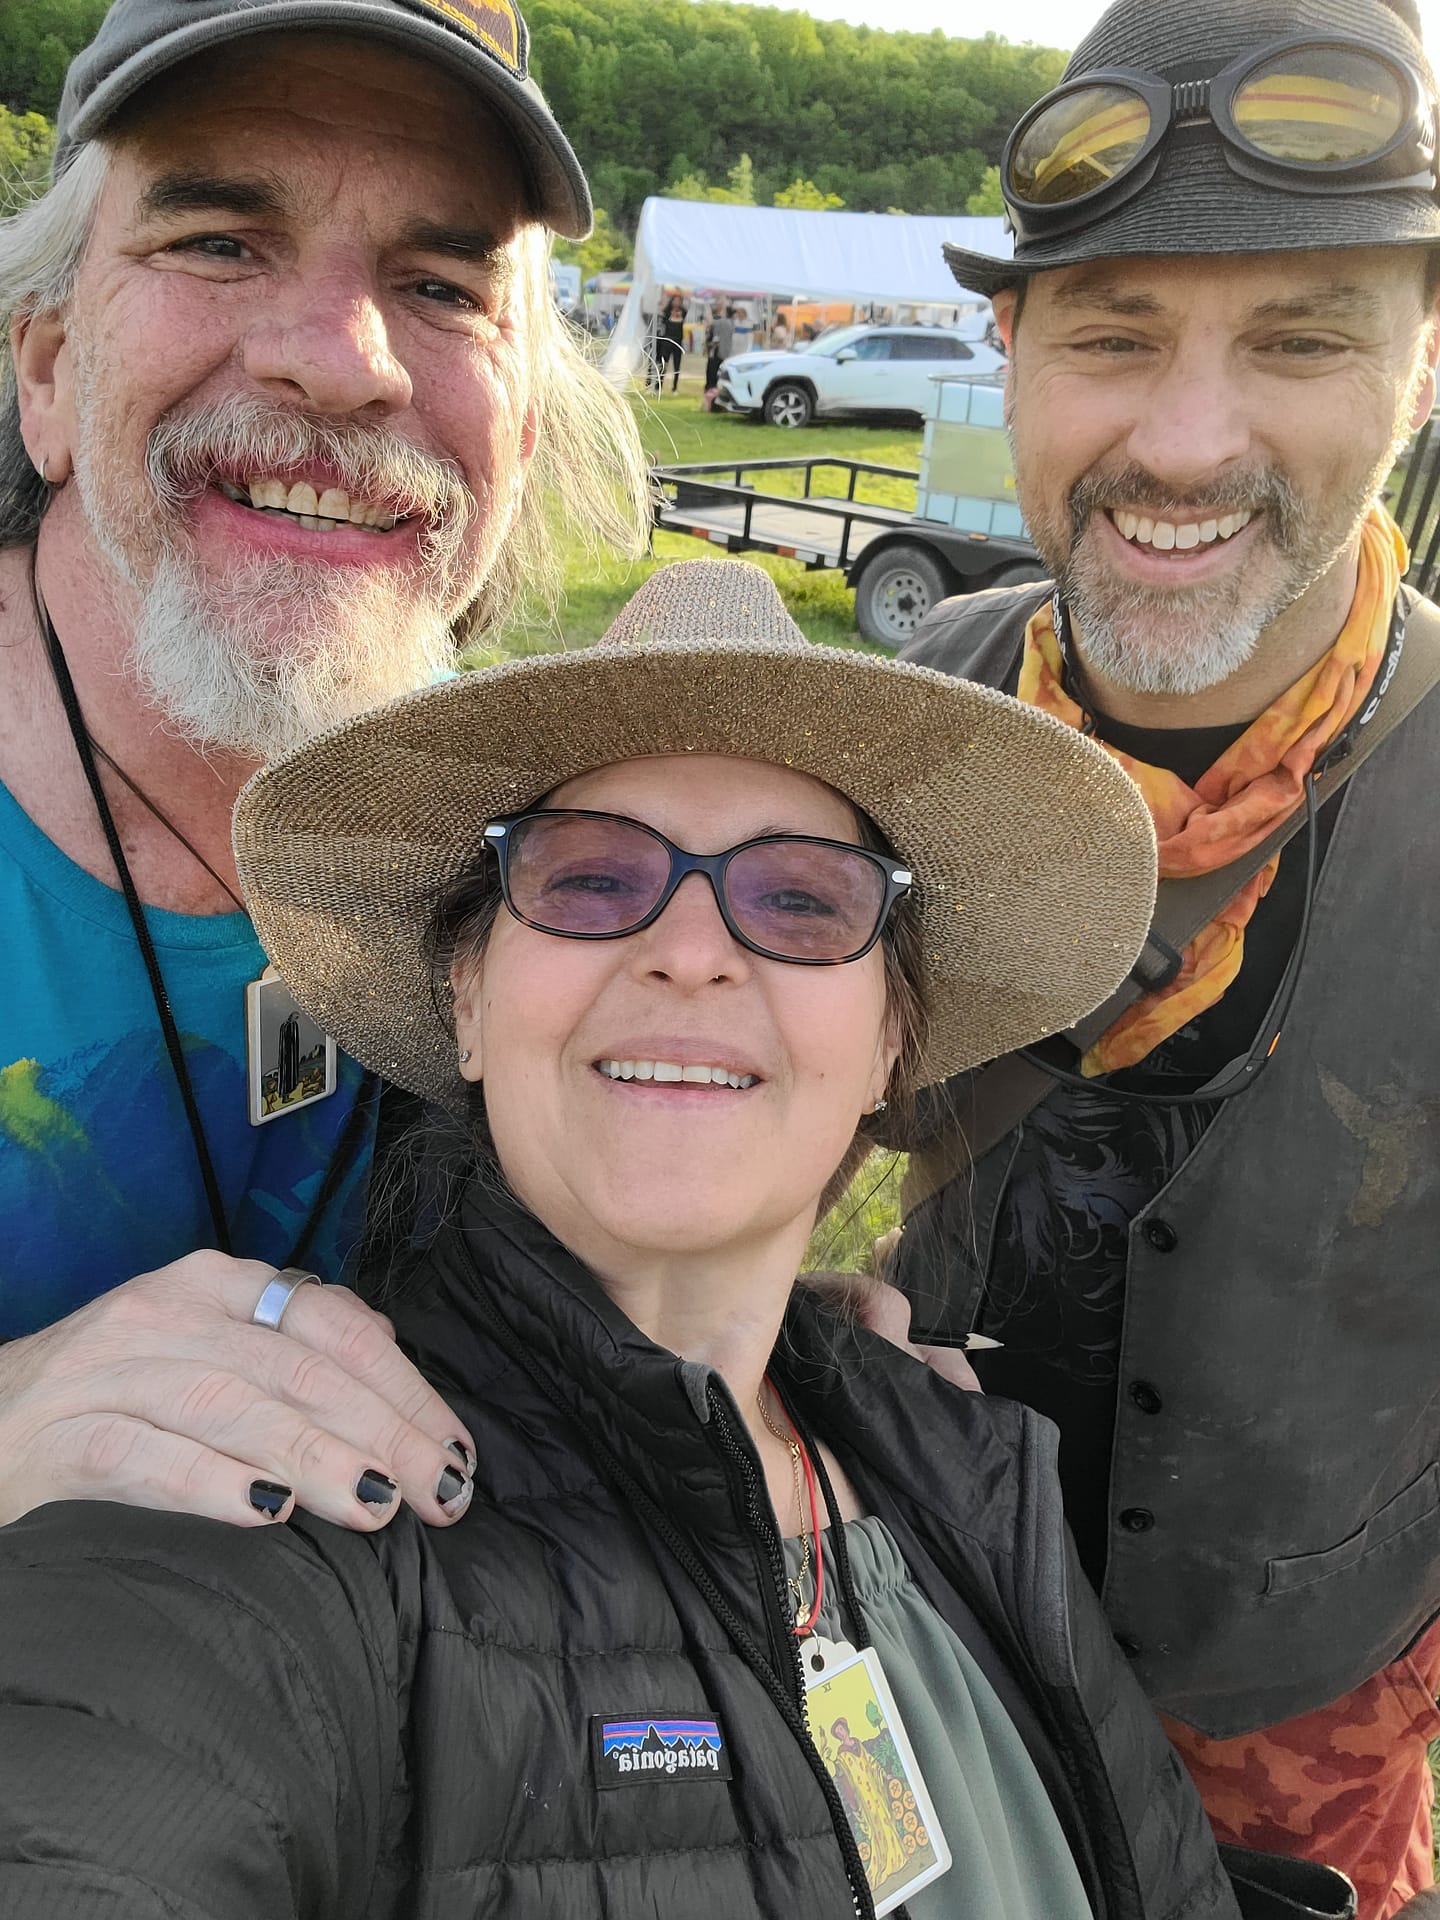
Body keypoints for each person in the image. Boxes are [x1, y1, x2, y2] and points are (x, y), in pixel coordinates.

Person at [0, 557, 1344, 1920]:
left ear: (889, 1040)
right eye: (590, 881)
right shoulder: (314, 1516)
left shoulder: (973, 1473)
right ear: (466, 1001)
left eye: (803, 900)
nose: (691, 953)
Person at [890, 1, 1440, 1913]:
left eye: (1301, 340)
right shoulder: (898, 714)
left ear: (1424, 370)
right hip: (924, 1645)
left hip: (1303, 1724)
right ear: (1011, 355)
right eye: (1114, 336)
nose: (1186, 443)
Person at [0, 0, 650, 1533]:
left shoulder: (539, 842)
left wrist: (773, 1354)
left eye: (440, 288)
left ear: (523, 430)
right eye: (221, 241)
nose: (346, 363)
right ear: (47, 370)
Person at [650, 291, 687, 393]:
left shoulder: (683, 312)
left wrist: (680, 292)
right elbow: (662, 309)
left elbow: (685, 308)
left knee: (677, 366)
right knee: (663, 365)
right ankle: (658, 387)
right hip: (667, 341)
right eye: (675, 300)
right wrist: (667, 298)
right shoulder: (667, 311)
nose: (677, 302)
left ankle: (674, 388)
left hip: (678, 342)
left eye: (679, 301)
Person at [706, 301, 737, 397]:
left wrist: (707, 306)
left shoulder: (722, 322)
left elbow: (710, 322)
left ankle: (711, 390)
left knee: (712, 372)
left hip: (718, 350)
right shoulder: (732, 323)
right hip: (725, 351)